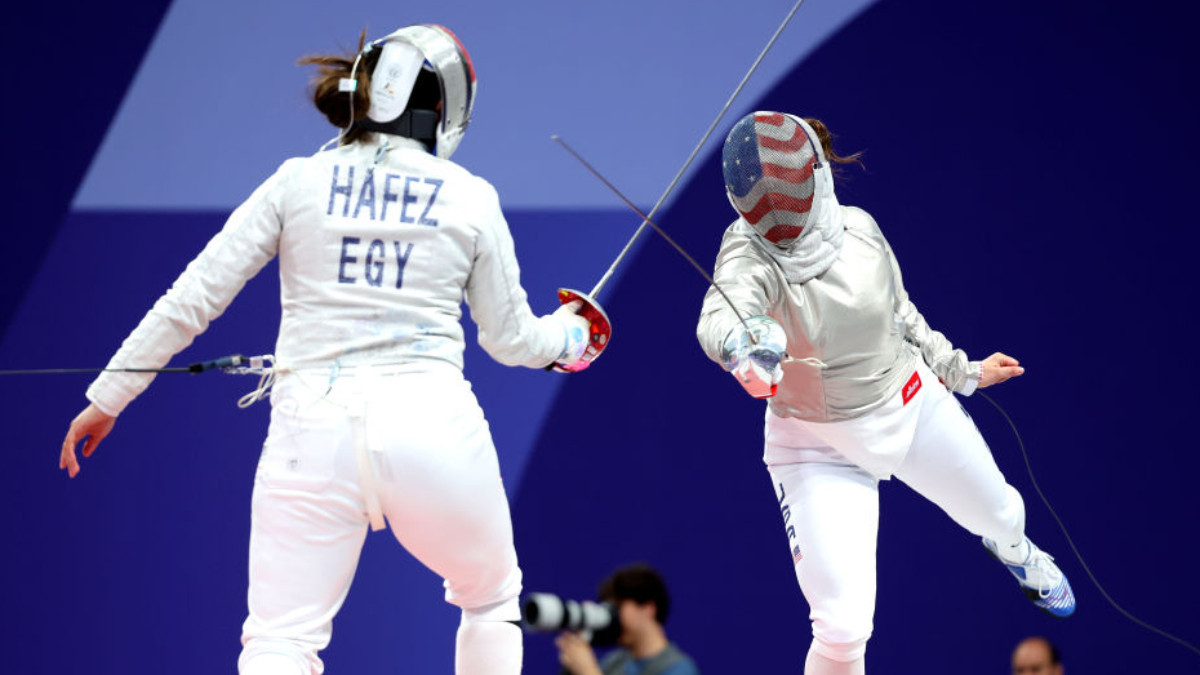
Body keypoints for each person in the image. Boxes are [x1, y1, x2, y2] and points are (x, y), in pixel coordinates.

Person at [58, 25, 605, 675]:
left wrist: (108, 394)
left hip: (308, 434)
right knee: (491, 600)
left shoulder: (298, 180)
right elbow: (513, 340)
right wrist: (574, 336)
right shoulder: (469, 195)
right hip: (432, 430)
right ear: (443, 107)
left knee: (280, 638)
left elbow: (193, 297)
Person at [695, 112, 1075, 675]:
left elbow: (902, 314)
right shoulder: (747, 255)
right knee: (843, 627)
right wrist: (743, 346)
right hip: (813, 444)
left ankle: (1017, 553)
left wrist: (961, 371)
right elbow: (717, 318)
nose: (780, 217)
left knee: (999, 514)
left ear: (816, 175)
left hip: (909, 405)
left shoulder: (861, 229)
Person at [555, 564, 699, 675]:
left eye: (617, 607)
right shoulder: (614, 663)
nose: (612, 617)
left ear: (648, 608)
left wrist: (588, 671)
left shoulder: (679, 668)